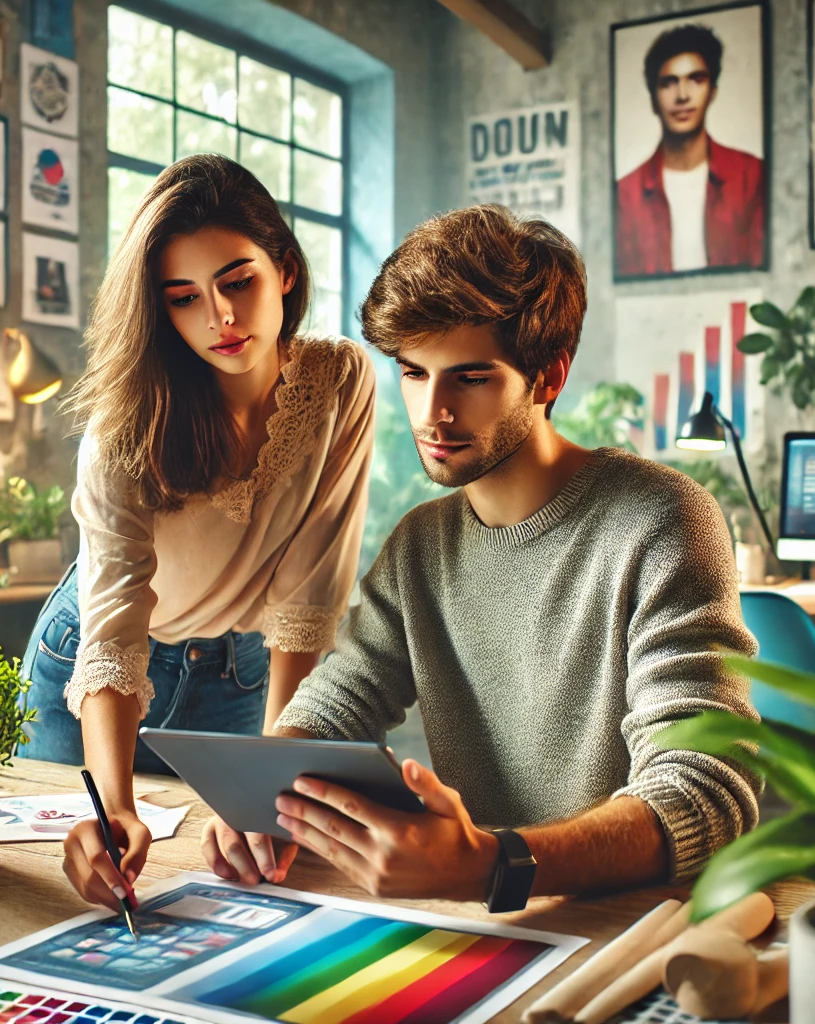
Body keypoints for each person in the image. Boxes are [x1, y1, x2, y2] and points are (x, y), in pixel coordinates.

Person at [203, 205, 760, 905]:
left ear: (549, 378)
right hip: (485, 925)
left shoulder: (664, 520)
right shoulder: (420, 546)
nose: (432, 412)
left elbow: (706, 789)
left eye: (470, 378)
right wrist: (265, 793)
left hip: (641, 930)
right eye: (412, 372)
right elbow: (336, 700)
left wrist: (496, 864)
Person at [20, 154, 375, 910]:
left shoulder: (340, 383)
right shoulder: (124, 426)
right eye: (183, 298)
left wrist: (273, 787)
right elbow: (113, 635)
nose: (219, 317)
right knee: (64, 902)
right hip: (88, 675)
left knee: (244, 889)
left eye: (237, 281)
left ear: (284, 268)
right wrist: (112, 806)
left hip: (238, 674)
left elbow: (307, 601)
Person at [616, 23, 765, 277]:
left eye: (696, 79)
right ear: (653, 98)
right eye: (668, 83)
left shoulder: (751, 176)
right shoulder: (625, 194)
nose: (682, 95)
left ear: (713, 91)